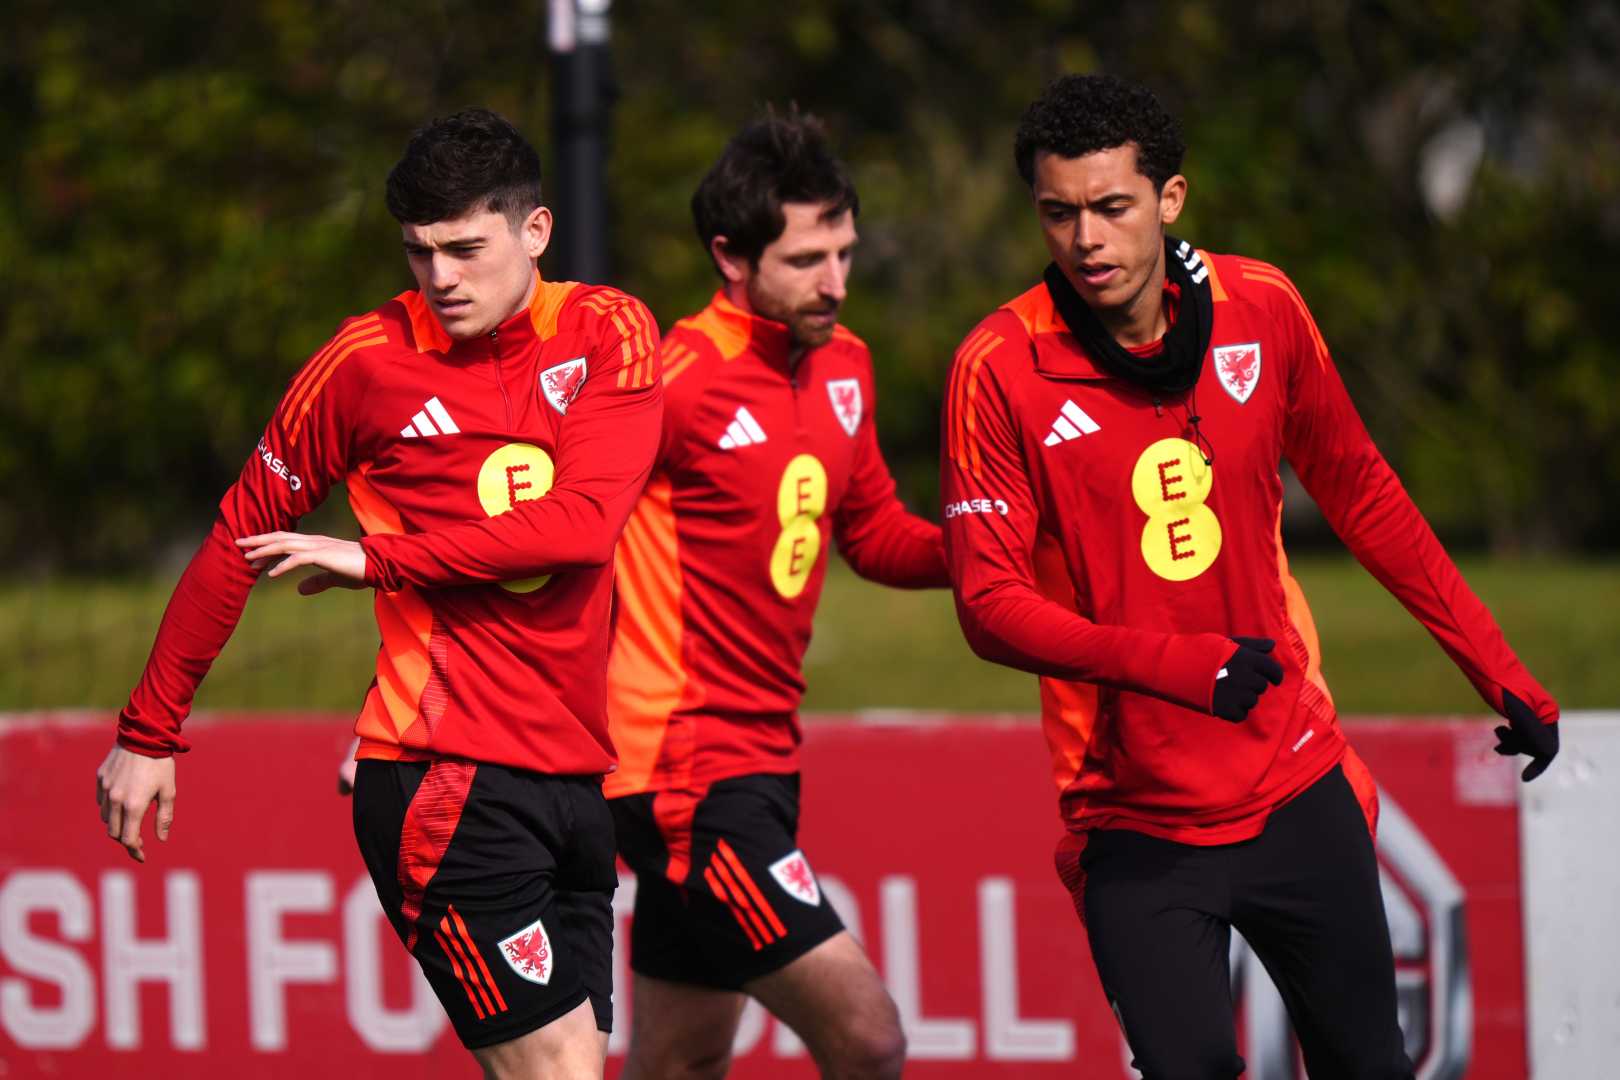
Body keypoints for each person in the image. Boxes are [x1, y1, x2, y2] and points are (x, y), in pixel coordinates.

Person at [939, 74, 1560, 1080]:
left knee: (1371, 1067)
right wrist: (1175, 666)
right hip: (1130, 818)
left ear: (1169, 199)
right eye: (1058, 213)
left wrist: (1499, 670)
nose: (1086, 239)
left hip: (1294, 781)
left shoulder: (1260, 308)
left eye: (1111, 207)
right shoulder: (998, 367)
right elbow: (988, 609)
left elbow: (1364, 496)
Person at [336, 108, 942, 1077]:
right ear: (732, 260)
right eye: (808, 259)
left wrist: (991, 549)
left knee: (678, 1066)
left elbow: (872, 533)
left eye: (845, 253)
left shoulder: (848, 369)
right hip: (679, 771)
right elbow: (545, 530)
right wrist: (404, 708)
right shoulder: (676, 377)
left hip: (765, 760)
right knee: (869, 1038)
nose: (837, 282)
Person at [95, 108, 663, 1079]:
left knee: (571, 1067)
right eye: (419, 252)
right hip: (443, 774)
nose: (441, 277)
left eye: (465, 249)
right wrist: (149, 732)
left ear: (536, 232)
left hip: (575, 775)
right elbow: (239, 536)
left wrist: (384, 556)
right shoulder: (363, 365)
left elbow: (581, 526)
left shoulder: (610, 330)